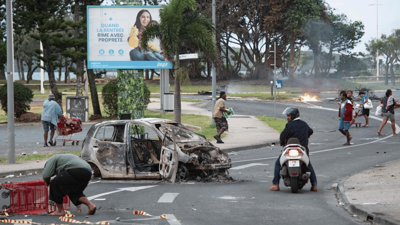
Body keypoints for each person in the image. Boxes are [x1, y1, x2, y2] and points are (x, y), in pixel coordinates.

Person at [269, 107, 318, 192]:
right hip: (302, 150)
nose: (287, 117)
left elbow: (282, 136)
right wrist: (306, 136)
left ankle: (275, 184)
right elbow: (311, 132)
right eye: (287, 115)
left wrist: (282, 143)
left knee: (278, 164)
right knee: (308, 165)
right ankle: (314, 185)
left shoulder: (289, 125)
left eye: (289, 115)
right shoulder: (304, 124)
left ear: (294, 115)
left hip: (290, 150)